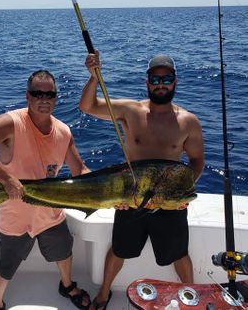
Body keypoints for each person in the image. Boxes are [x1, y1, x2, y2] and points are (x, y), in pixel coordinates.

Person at [80, 51, 204, 310]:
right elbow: (88, 107)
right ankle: (103, 294)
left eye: (166, 79)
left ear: (175, 81)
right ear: (147, 82)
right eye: (155, 79)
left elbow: (196, 161)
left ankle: (190, 298)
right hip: (131, 199)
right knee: (119, 249)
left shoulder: (188, 122)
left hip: (169, 204)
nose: (161, 85)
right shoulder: (130, 111)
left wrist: (178, 191)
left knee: (179, 254)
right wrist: (93, 77)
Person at [0, 70, 91, 310]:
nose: (44, 98)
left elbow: (79, 169)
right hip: (15, 215)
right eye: (37, 93)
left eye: (49, 94)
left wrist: (109, 186)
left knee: (64, 251)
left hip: (50, 213)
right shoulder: (11, 123)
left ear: (56, 98)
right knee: (5, 264)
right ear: (27, 96)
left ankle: (67, 285)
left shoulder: (64, 131)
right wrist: (7, 180)